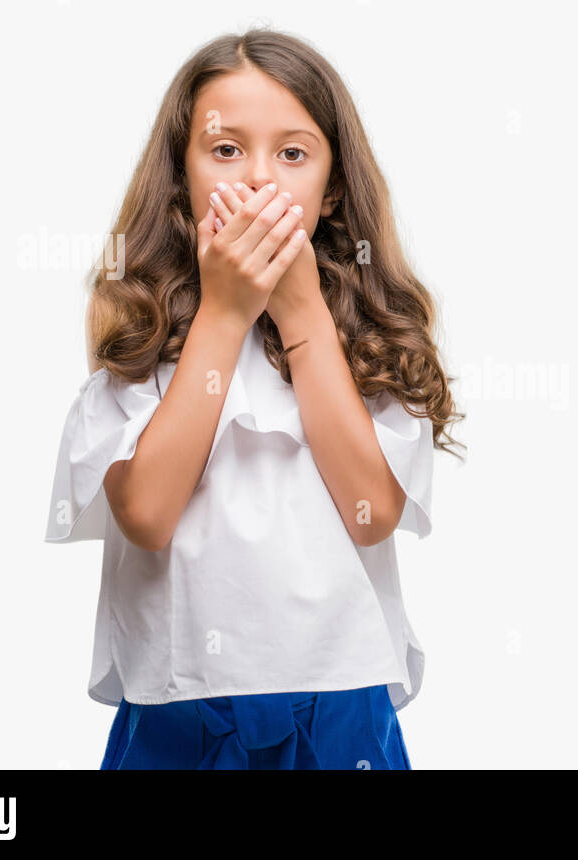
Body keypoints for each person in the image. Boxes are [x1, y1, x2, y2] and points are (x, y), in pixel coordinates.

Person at [43, 27, 465, 770]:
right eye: (226, 149)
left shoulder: (370, 328)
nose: (260, 179)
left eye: (292, 153)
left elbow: (373, 513)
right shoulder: (140, 324)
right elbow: (146, 514)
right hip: (181, 710)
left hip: (338, 707)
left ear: (332, 188)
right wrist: (226, 311)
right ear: (183, 172)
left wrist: (300, 314)